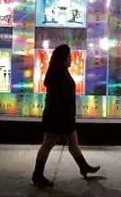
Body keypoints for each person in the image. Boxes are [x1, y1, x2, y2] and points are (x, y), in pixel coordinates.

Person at [31, 44, 100, 188]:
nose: (71, 60)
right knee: (48, 144)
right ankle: (37, 175)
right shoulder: (58, 75)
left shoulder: (60, 72)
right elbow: (59, 100)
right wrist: (64, 119)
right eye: (69, 57)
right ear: (63, 59)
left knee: (73, 142)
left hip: (63, 117)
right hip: (57, 118)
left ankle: (83, 167)